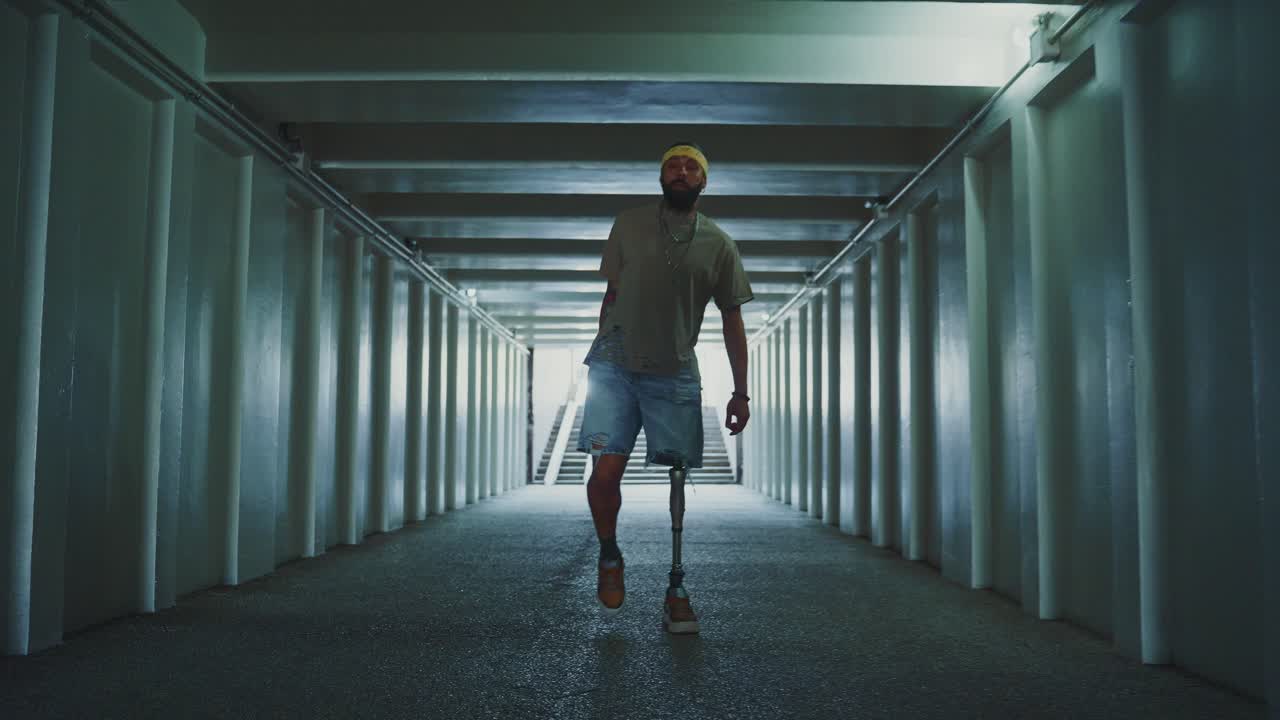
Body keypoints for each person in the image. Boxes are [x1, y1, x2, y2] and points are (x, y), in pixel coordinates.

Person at [576, 141, 753, 634]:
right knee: (605, 468)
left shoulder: (719, 244)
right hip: (613, 364)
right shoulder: (628, 223)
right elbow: (611, 295)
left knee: (678, 474)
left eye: (690, 166)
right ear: (662, 177)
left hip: (674, 367)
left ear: (703, 180)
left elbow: (732, 319)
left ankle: (676, 586)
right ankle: (610, 554)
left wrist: (741, 391)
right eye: (672, 165)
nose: (680, 171)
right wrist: (604, 343)